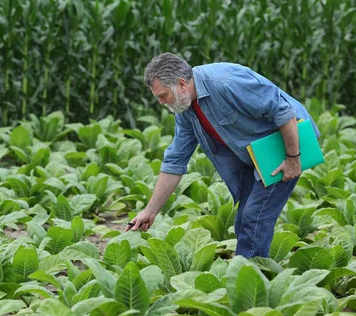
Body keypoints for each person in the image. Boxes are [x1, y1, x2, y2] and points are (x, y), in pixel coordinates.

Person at [126, 53, 320, 258]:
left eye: (163, 95)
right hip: (251, 156)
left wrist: (293, 159)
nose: (161, 102)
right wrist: (150, 211)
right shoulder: (185, 110)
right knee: (244, 220)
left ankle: (249, 278)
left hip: (285, 147)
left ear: (181, 84)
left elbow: (282, 111)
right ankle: (252, 274)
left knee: (254, 216)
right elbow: (175, 160)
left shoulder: (226, 82)